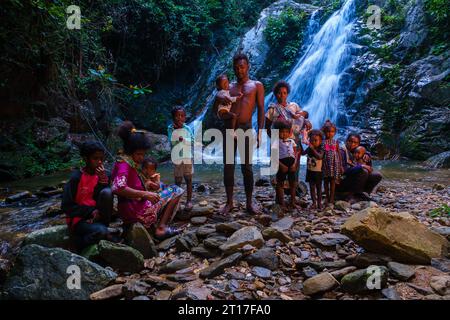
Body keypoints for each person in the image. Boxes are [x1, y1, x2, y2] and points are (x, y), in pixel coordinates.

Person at [213, 52, 265, 215]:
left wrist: (260, 133)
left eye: (242, 67)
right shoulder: (229, 87)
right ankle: (229, 202)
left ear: (248, 66)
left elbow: (262, 110)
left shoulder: (257, 85)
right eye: (236, 68)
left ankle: (249, 202)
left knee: (247, 167)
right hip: (229, 128)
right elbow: (217, 111)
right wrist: (218, 97)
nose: (239, 70)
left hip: (246, 128)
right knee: (228, 166)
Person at [111, 121, 182, 240]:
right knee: (176, 190)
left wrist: (148, 187)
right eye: (139, 154)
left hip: (129, 210)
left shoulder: (127, 162)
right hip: (137, 212)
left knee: (164, 187)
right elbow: (117, 187)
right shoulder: (124, 165)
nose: (141, 158)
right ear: (130, 150)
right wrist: (145, 193)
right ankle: (161, 228)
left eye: (143, 154)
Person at [61, 141, 118, 252]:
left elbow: (99, 198)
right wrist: (91, 212)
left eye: (101, 159)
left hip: (97, 217)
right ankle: (77, 244)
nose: (99, 162)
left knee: (107, 192)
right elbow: (66, 206)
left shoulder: (105, 175)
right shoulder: (76, 178)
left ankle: (104, 229)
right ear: (86, 159)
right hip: (79, 219)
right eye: (95, 158)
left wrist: (103, 182)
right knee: (101, 231)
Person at [338, 133, 382, 201]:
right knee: (363, 170)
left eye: (355, 143)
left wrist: (367, 155)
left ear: (358, 144)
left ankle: (363, 193)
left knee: (377, 175)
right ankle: (351, 194)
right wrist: (361, 166)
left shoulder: (359, 151)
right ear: (346, 141)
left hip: (352, 178)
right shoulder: (342, 151)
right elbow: (344, 170)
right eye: (350, 141)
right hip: (342, 180)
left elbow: (369, 167)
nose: (352, 144)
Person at [167, 105, 194, 211]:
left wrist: (183, 139)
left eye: (182, 116)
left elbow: (192, 141)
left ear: (185, 117)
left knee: (189, 180)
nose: (180, 118)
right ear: (173, 117)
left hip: (187, 157)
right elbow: (172, 141)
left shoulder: (187, 128)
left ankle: (189, 201)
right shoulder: (170, 128)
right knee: (178, 180)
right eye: (177, 115)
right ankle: (176, 201)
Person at [273, 119, 298, 210]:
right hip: (281, 165)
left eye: (286, 132)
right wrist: (281, 165)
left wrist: (294, 164)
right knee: (280, 184)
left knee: (293, 184)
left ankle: (293, 202)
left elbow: (295, 154)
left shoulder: (292, 141)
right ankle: (282, 203)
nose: (284, 134)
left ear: (289, 132)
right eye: (281, 132)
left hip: (291, 165)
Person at [321, 120, 343, 206]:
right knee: (326, 181)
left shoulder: (336, 142)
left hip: (335, 163)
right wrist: (325, 124)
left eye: (332, 132)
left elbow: (338, 153)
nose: (330, 134)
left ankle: (332, 198)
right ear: (324, 132)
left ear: (335, 133)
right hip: (325, 164)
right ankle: (327, 196)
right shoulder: (322, 141)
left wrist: (340, 165)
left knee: (333, 181)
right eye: (328, 132)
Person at [303, 129, 324, 210]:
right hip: (310, 171)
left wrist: (313, 149)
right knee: (312, 187)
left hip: (318, 172)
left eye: (316, 140)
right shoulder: (309, 148)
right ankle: (314, 203)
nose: (313, 142)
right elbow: (302, 153)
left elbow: (319, 157)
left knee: (319, 188)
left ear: (320, 141)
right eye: (311, 140)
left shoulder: (321, 149)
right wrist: (300, 144)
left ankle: (319, 203)